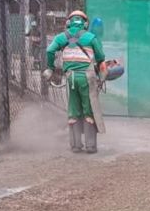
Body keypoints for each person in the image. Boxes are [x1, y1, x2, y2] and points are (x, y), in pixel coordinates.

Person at [42, 10, 106, 153]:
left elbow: (49, 51)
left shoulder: (61, 37)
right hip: (87, 78)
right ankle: (90, 146)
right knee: (89, 110)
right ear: (85, 24)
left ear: (68, 22)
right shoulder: (91, 37)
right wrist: (101, 77)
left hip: (70, 77)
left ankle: (76, 146)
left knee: (73, 110)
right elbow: (101, 58)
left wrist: (51, 68)